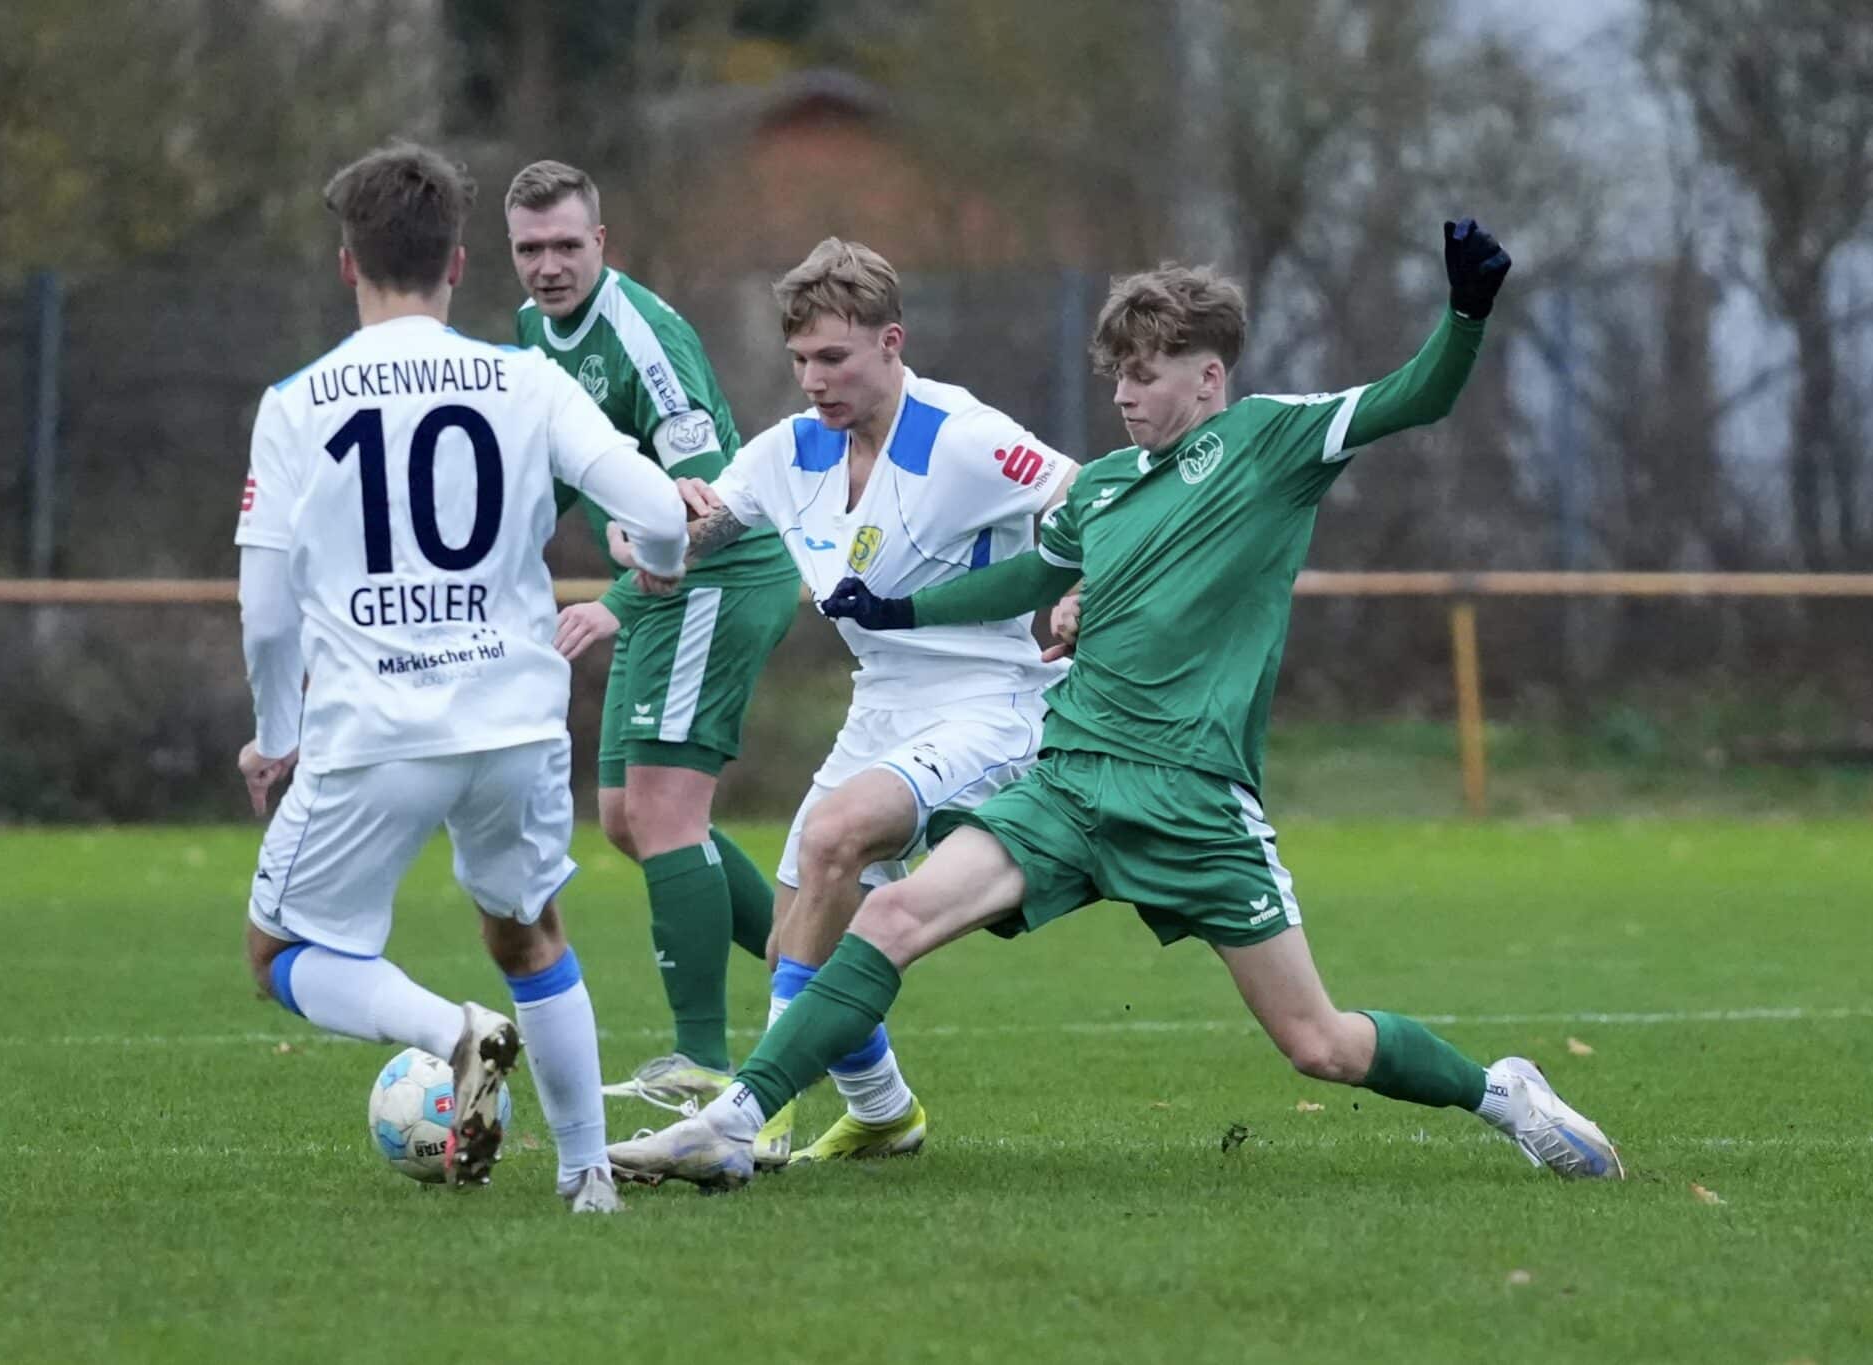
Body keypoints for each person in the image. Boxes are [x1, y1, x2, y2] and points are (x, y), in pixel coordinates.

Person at [607, 219, 1628, 1189]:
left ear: (1208, 376)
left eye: (1145, 376)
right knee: (894, 912)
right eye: (1117, 377)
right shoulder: (1099, 489)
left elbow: (1416, 396)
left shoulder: (1270, 445)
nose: (1125, 396)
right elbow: (1020, 581)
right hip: (1071, 782)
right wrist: (898, 605)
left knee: (1317, 1044)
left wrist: (1464, 317)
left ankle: (1499, 1093)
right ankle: (737, 1119)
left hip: (1192, 801)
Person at [235, 142, 688, 1214]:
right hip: (515, 720)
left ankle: (454, 1032)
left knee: (278, 951)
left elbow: (266, 610)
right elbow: (659, 507)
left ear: (348, 264)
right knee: (527, 933)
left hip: (375, 727)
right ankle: (588, 1178)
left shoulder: (297, 402)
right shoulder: (527, 380)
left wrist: (274, 735)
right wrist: (660, 566)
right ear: (459, 262)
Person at [595, 237, 1077, 1167]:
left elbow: (1085, 496)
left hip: (988, 703)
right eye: (800, 360)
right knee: (793, 950)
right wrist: (650, 532)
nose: (814, 380)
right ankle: (885, 1112)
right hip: (881, 706)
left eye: (834, 357)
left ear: (891, 343)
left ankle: (749, 1117)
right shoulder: (791, 450)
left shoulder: (961, 434)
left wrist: (1081, 585)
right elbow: (701, 528)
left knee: (831, 836)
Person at [506, 160, 800, 1109]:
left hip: (720, 576)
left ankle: (702, 1060)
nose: (548, 266)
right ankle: (827, 967)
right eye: (529, 248)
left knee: (667, 815)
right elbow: (552, 477)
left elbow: (704, 509)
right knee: (629, 820)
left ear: (601, 242)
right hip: (657, 586)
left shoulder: (641, 338)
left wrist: (618, 603)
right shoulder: (530, 333)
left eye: (566, 245)